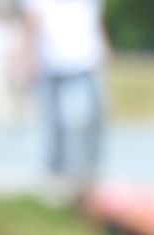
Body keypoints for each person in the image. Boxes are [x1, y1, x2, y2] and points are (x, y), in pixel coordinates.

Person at [20, 0, 109, 190]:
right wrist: (29, 56)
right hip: (51, 64)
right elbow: (30, 24)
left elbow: (96, 20)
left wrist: (104, 47)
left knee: (87, 120)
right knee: (58, 124)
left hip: (85, 63)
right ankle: (58, 174)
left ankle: (87, 174)